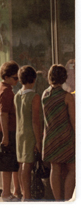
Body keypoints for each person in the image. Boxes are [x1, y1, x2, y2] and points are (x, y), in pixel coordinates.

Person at [41, 64, 75, 201]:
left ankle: (57, 200)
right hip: (66, 137)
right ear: (64, 77)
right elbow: (74, 120)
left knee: (55, 169)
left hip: (50, 137)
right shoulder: (67, 96)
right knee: (73, 169)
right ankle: (67, 199)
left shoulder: (45, 94)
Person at [0, 60, 22, 201]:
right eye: (15, 78)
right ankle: (7, 193)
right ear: (6, 77)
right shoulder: (6, 91)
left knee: (7, 162)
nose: (17, 80)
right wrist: (6, 136)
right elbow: (4, 114)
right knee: (8, 163)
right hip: (7, 130)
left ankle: (11, 192)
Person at [15, 65, 43, 201]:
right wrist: (38, 141)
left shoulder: (17, 96)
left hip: (19, 133)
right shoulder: (34, 96)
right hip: (30, 133)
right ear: (34, 79)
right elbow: (35, 121)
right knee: (28, 165)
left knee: (22, 164)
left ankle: (23, 193)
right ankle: (27, 196)